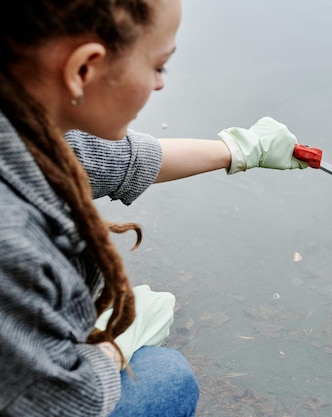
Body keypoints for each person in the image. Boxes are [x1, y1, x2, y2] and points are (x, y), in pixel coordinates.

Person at [0, 1, 307, 416]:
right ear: (83, 69)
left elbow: (113, 160)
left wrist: (240, 149)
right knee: (166, 377)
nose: (160, 83)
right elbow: (60, 404)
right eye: (159, 66)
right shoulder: (11, 236)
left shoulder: (19, 120)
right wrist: (117, 341)